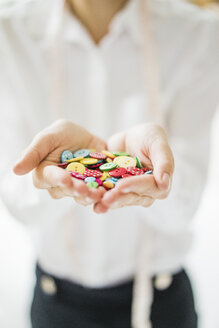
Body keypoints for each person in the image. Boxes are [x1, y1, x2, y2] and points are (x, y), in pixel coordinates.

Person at [0, 0, 219, 327]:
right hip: (56, 302)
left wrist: (156, 176)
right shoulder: (9, 30)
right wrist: (51, 182)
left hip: (161, 302)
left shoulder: (198, 31)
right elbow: (18, 197)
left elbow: (185, 205)